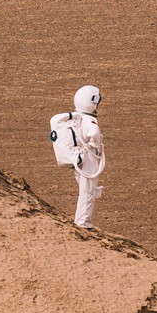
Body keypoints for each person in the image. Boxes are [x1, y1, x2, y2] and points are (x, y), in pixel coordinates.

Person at [47, 82, 105, 230]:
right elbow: (93, 132)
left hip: (79, 157)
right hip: (88, 158)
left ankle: (83, 219)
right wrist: (95, 144)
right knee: (88, 190)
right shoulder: (89, 120)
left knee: (86, 189)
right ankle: (83, 221)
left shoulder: (77, 119)